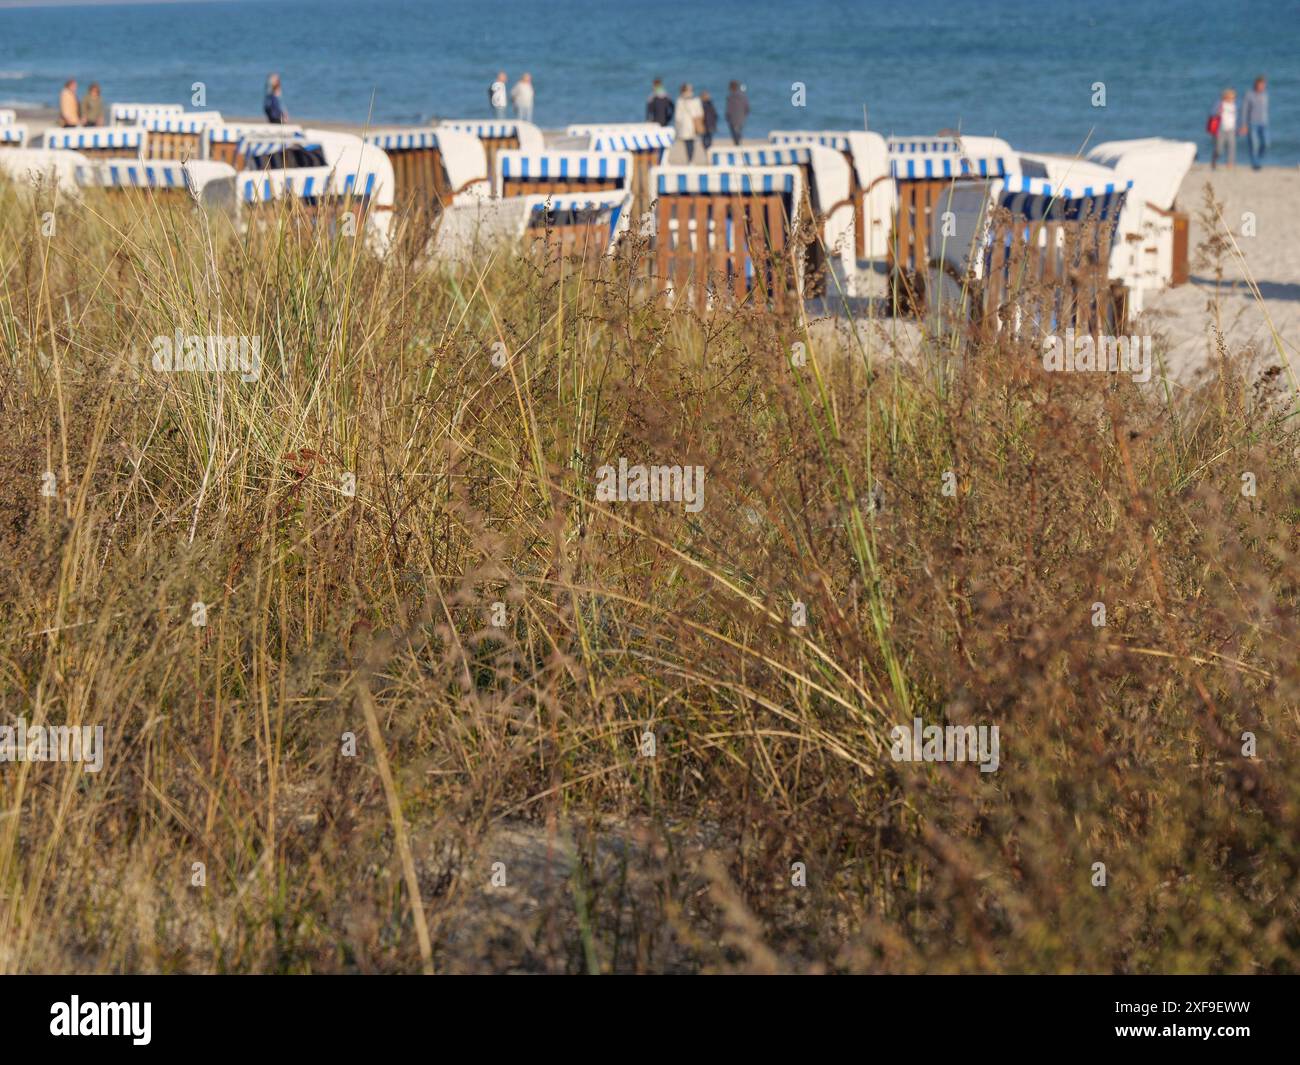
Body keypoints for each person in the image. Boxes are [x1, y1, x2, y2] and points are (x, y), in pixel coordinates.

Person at [1241, 75, 1269, 170]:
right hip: (1252, 123)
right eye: (1260, 85)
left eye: (1263, 85)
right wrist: (1244, 124)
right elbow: (1244, 110)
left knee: (1266, 143)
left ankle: (1258, 160)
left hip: (1263, 123)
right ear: (1256, 84)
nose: (1262, 87)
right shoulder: (1249, 94)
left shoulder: (1265, 94)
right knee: (1253, 144)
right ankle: (1255, 164)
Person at [674, 83, 704, 163]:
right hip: (692, 124)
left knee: (688, 143)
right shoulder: (695, 100)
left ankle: (690, 159)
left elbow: (678, 117)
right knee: (691, 143)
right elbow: (700, 113)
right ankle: (690, 159)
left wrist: (678, 127)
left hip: (686, 125)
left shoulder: (680, 101)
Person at [1210, 87, 1236, 170]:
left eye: (1233, 97)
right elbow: (1212, 113)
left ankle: (1229, 164)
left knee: (1231, 146)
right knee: (1219, 149)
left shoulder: (1234, 105)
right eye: (1230, 97)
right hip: (1220, 129)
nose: (1232, 99)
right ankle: (1214, 159)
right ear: (1225, 97)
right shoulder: (1219, 104)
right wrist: (1218, 112)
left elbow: (1237, 117)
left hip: (1231, 129)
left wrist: (1241, 126)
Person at [725, 80, 749, 146]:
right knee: (739, 133)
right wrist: (744, 115)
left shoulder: (730, 97)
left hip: (732, 119)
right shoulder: (743, 96)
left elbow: (728, 109)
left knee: (735, 134)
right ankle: (738, 144)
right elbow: (747, 108)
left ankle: (737, 144)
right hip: (741, 118)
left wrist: (727, 117)